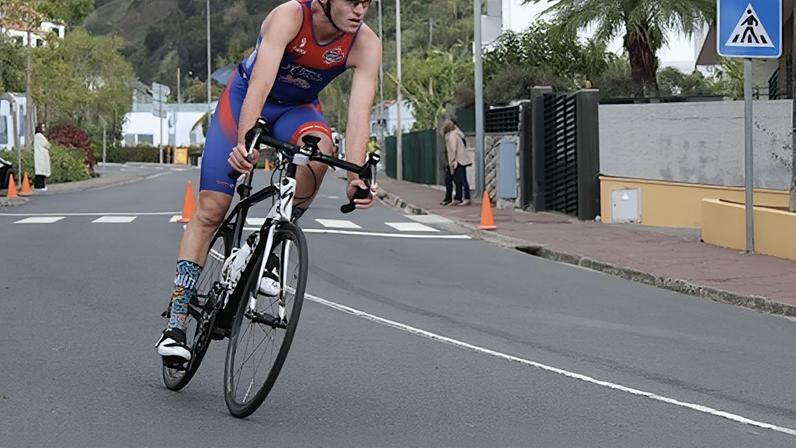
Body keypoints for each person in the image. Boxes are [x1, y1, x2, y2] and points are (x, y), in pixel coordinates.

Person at [156, 0, 382, 362]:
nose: (359, 10)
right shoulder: (290, 16)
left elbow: (359, 117)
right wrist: (245, 143)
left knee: (320, 151)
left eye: (366, 3)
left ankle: (271, 246)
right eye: (351, 1)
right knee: (212, 208)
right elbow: (260, 84)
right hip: (246, 99)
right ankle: (177, 321)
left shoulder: (365, 43)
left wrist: (356, 176)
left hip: (298, 110)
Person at [443, 119, 472, 206]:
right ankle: (458, 198)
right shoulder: (456, 133)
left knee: (462, 180)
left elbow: (453, 149)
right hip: (460, 159)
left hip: (458, 160)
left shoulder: (451, 135)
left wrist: (453, 161)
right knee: (457, 180)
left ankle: (466, 198)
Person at [33, 123, 51, 191]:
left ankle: (39, 185)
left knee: (40, 171)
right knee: (41, 171)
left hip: (40, 156)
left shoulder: (37, 136)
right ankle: (40, 186)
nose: (44, 129)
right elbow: (46, 144)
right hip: (41, 156)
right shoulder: (39, 136)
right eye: (43, 127)